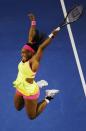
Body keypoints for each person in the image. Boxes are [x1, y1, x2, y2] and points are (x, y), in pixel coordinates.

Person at [13, 14, 60, 120]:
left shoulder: (34, 61)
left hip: (30, 91)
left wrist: (52, 35)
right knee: (18, 107)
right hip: (20, 86)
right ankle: (38, 85)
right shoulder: (27, 54)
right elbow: (31, 35)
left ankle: (49, 96)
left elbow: (42, 47)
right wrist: (33, 22)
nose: (22, 54)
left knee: (32, 116)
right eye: (22, 51)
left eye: (25, 52)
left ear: (32, 53)